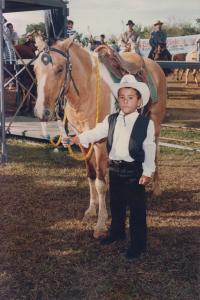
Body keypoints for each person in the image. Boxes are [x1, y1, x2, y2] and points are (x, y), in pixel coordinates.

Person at [62, 74, 156, 259]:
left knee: (136, 209)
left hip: (134, 171)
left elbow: (149, 148)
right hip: (115, 169)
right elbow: (95, 133)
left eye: (130, 98)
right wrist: (76, 138)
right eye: (122, 98)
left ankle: (138, 245)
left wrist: (147, 171)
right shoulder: (111, 119)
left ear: (139, 102)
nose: (125, 101)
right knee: (116, 204)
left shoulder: (146, 124)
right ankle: (116, 233)